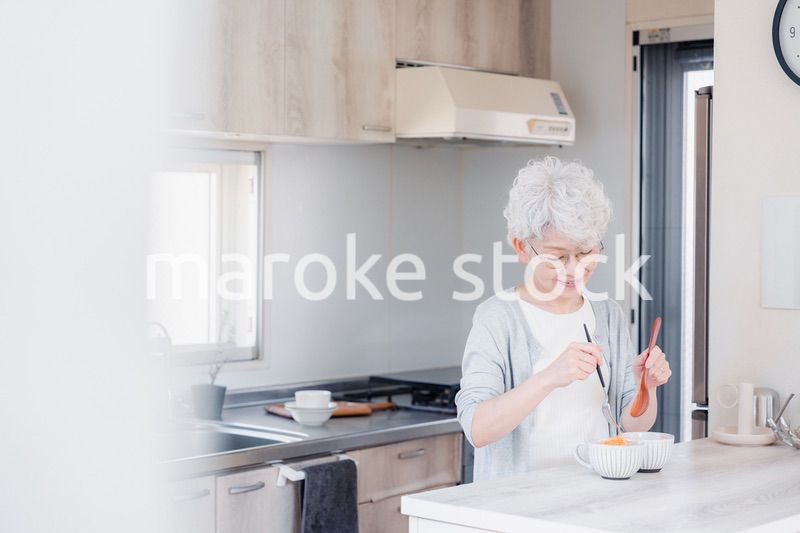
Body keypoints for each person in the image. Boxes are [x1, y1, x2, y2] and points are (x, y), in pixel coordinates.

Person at [455, 156, 672, 482]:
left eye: (586, 252)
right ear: (521, 247)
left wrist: (647, 388)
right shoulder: (498, 318)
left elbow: (632, 425)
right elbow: (478, 429)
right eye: (557, 256)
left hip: (594, 499)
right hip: (518, 508)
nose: (574, 269)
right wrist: (548, 377)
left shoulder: (606, 314)